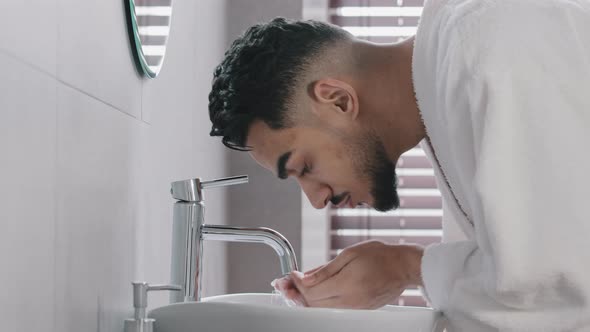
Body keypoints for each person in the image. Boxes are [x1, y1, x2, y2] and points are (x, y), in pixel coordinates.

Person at [207, 0, 590, 330]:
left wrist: (406, 266)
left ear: (338, 101)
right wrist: (402, 269)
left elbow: (559, 286)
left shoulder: (489, 47)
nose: (316, 200)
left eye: (304, 167)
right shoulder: (448, 81)